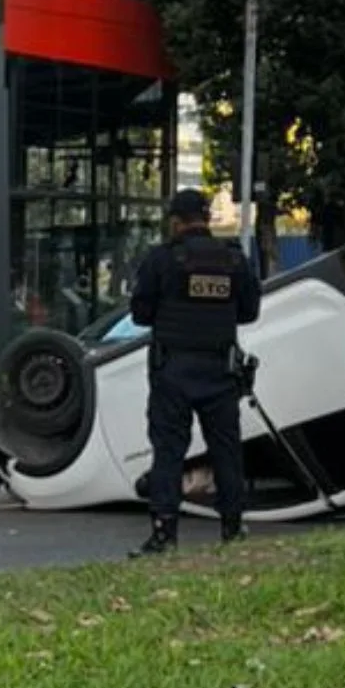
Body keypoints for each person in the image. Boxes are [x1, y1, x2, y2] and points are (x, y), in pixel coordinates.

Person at [127, 187, 261, 558]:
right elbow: (249, 312)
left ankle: (164, 534)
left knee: (169, 452)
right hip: (219, 369)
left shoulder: (163, 259)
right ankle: (232, 528)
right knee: (226, 451)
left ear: (175, 221)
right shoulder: (234, 259)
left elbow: (140, 313)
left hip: (174, 371)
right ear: (206, 219)